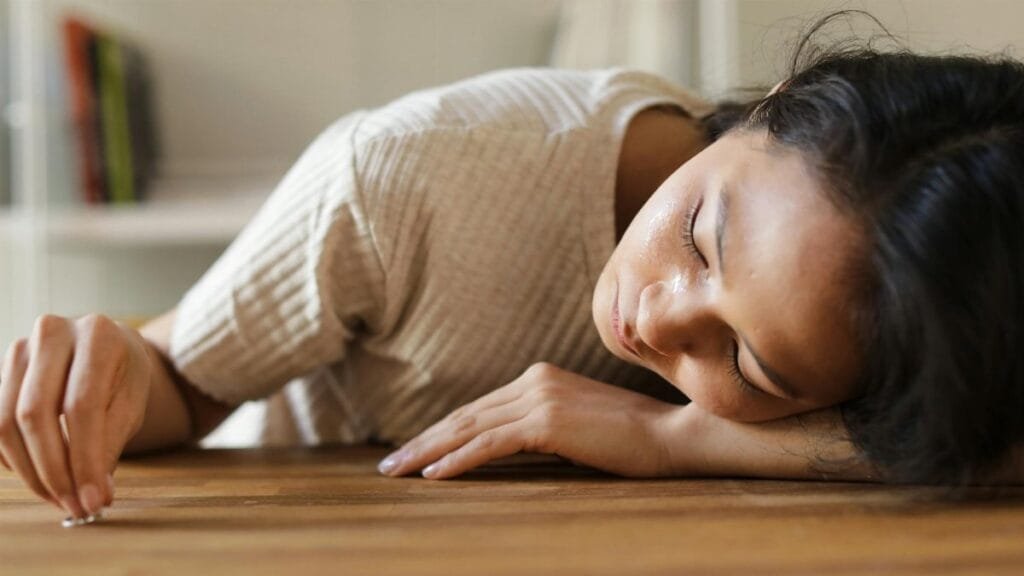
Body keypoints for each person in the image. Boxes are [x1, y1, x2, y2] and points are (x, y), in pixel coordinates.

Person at [3, 13, 1023, 523]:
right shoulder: (410, 173)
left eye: (750, 368)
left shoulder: (903, 324)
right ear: (773, 105)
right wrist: (108, 373)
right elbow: (184, 380)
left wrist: (672, 436)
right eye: (700, 240)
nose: (660, 325)